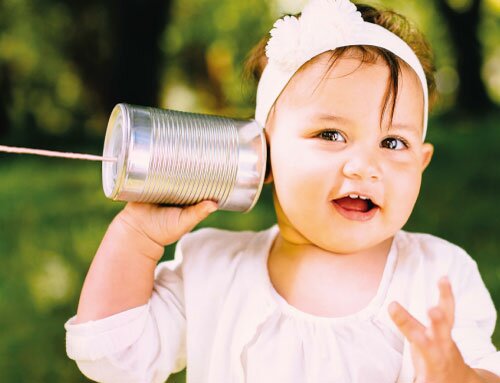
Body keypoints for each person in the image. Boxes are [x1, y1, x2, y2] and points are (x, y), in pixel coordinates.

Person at [64, 1, 500, 382]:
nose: (365, 166)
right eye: (331, 134)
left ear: (421, 163)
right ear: (263, 151)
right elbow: (112, 358)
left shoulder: (439, 275)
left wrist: (457, 376)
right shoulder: (212, 269)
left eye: (392, 143)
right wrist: (135, 237)